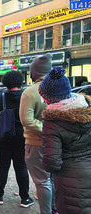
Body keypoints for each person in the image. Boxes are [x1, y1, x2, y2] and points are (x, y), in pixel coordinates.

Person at [38, 66, 91, 214]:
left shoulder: (53, 120)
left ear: (50, 97)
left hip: (70, 181)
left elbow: (52, 162)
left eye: (44, 96)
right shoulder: (86, 107)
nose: (42, 99)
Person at [0, 71, 34, 207]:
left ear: (5, 83)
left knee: (2, 165)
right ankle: (25, 198)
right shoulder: (27, 98)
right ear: (21, 82)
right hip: (22, 137)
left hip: (2, 137)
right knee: (21, 167)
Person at [19, 54, 57, 214]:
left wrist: (47, 130)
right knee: (53, 179)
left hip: (36, 143)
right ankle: (55, 208)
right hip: (58, 143)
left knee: (42, 182)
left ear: (34, 73)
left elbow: (26, 120)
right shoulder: (59, 88)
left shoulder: (30, 92)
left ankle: (47, 211)